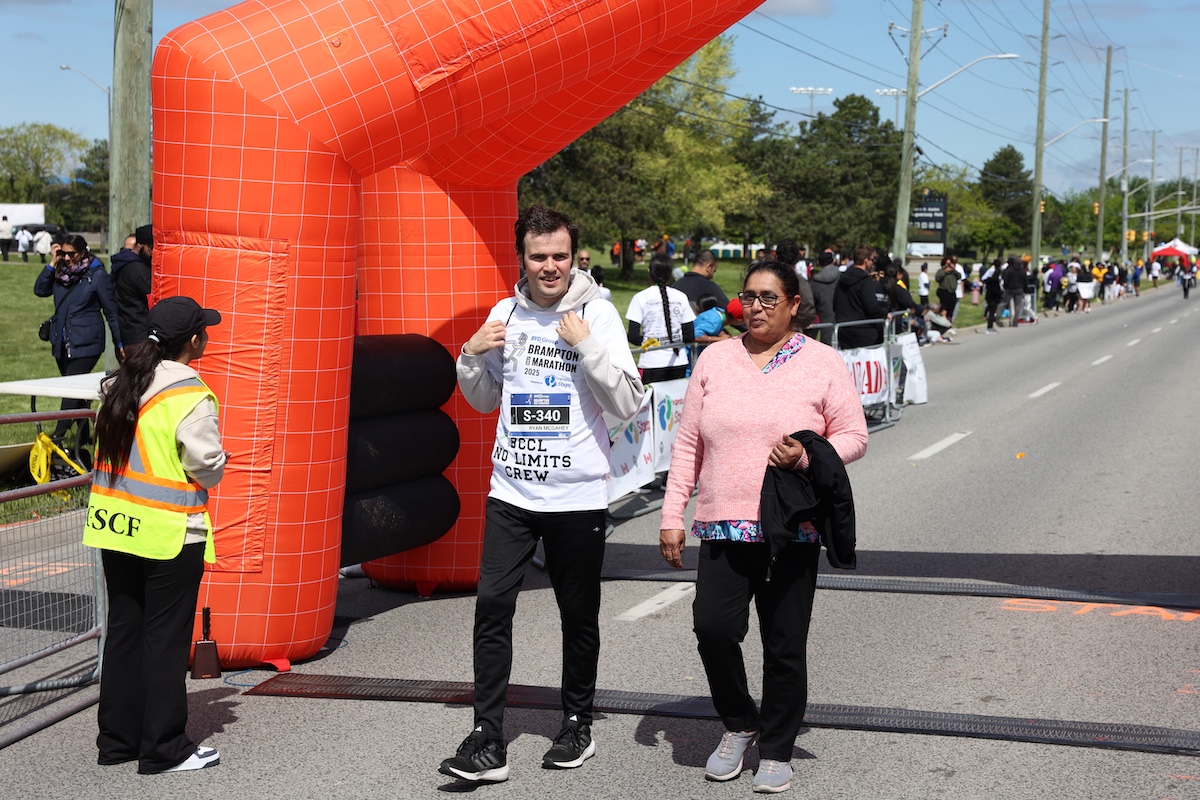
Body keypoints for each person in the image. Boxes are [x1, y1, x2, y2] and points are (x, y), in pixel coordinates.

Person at [442, 205, 644, 784]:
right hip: (512, 492)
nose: (550, 266)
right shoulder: (504, 313)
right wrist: (470, 355)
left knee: (577, 614)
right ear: (522, 259)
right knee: (492, 608)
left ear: (573, 256)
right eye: (538, 257)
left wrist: (588, 347)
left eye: (560, 255)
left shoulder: (596, 314)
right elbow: (485, 400)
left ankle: (577, 722)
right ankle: (487, 738)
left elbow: (628, 404)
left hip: (576, 499)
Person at [658, 259, 867, 793]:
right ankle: (739, 722)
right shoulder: (715, 359)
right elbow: (688, 443)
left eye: (768, 298)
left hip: (791, 527)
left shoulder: (822, 362)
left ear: (794, 304)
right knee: (713, 630)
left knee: (784, 644)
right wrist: (672, 514)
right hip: (721, 524)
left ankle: (776, 748)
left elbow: (854, 436)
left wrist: (806, 456)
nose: (755, 307)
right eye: (748, 296)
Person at [85, 296, 227, 774]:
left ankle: (117, 742)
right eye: (204, 331)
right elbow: (205, 467)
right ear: (194, 340)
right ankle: (164, 748)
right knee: (165, 641)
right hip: (168, 532)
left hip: (115, 526)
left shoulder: (119, 384)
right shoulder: (190, 394)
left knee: (124, 633)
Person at [34, 235, 123, 442]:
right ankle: (84, 438)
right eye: (63, 253)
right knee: (77, 393)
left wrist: (119, 343)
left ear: (82, 253)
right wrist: (52, 263)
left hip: (87, 342)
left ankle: (58, 436)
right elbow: (39, 290)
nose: (66, 258)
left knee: (70, 391)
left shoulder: (96, 275)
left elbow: (111, 312)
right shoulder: (59, 273)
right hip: (62, 342)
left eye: (71, 254)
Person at [627, 253, 696, 383]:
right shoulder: (681, 297)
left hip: (651, 362)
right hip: (679, 363)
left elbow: (633, 336)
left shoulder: (640, 297)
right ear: (670, 274)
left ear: (649, 272)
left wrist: (651, 341)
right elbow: (689, 336)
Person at [832, 245, 888, 349]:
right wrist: (884, 313)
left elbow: (835, 304)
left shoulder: (842, 278)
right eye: (872, 259)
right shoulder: (865, 280)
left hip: (844, 329)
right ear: (866, 261)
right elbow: (871, 307)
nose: (873, 262)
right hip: (864, 331)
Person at [111, 225, 154, 346]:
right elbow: (153, 293)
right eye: (150, 248)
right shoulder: (137, 269)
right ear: (139, 245)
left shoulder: (126, 264)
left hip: (129, 330)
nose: (152, 252)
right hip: (137, 333)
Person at [981, 260, 1003, 332]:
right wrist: (1000, 293)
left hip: (989, 296)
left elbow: (984, 280)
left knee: (991, 312)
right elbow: (996, 290)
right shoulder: (995, 281)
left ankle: (990, 326)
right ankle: (989, 327)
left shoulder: (989, 280)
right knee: (991, 313)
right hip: (993, 297)